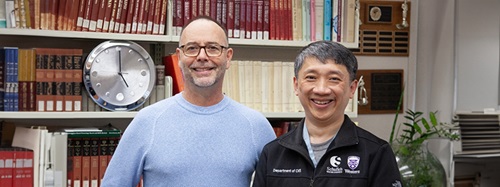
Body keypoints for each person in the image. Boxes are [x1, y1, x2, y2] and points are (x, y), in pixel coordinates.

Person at [101, 16, 276, 187]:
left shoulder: (256, 126)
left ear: (228, 57)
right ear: (179, 57)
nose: (201, 56)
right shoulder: (147, 121)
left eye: (213, 48)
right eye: (192, 48)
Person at [252, 41, 402, 187]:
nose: (321, 89)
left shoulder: (376, 153)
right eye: (311, 77)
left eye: (334, 79)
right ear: (296, 85)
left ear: (352, 88)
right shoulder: (273, 153)